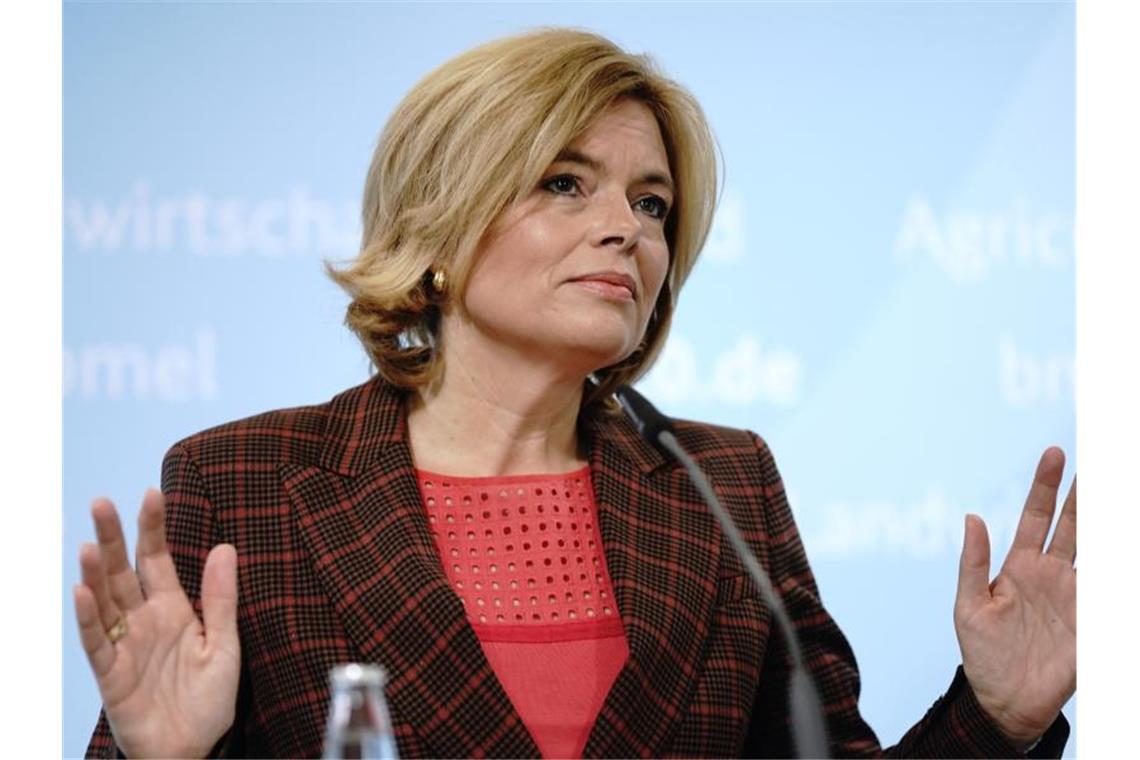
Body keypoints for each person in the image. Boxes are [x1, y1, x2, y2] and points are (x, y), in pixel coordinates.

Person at [76, 28, 1076, 759]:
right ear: (440, 218)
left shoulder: (725, 484)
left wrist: (999, 720)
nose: (627, 229)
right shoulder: (244, 482)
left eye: (651, 202)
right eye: (566, 182)